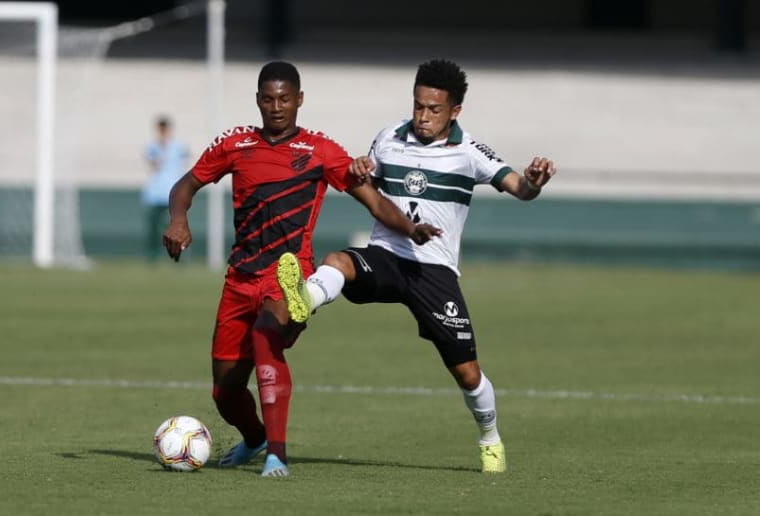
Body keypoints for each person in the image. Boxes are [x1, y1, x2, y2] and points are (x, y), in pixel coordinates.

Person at [276, 59, 557, 474]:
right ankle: (305, 297)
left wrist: (534, 180)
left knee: (467, 373)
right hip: (388, 256)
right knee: (339, 260)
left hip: (434, 273)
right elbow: (367, 180)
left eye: (434, 109)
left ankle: (490, 437)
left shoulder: (470, 152)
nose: (423, 117)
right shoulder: (389, 136)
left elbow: (521, 189)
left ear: (455, 111)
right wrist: (360, 169)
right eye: (418, 106)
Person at [163, 61, 439, 477]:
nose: (277, 107)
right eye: (269, 99)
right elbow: (185, 185)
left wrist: (411, 228)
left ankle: (277, 453)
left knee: (266, 337)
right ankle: (255, 438)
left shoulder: (321, 151)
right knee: (225, 390)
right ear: (258, 101)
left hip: (287, 272)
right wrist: (179, 219)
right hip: (240, 277)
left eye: (285, 99)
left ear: (299, 100)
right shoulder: (234, 143)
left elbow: (375, 201)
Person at [142, 116, 188, 260]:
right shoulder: (152, 147)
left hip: (173, 192)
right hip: (156, 193)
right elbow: (153, 164)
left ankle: (179, 255)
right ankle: (153, 256)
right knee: (154, 228)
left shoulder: (178, 147)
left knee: (177, 227)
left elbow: (184, 163)